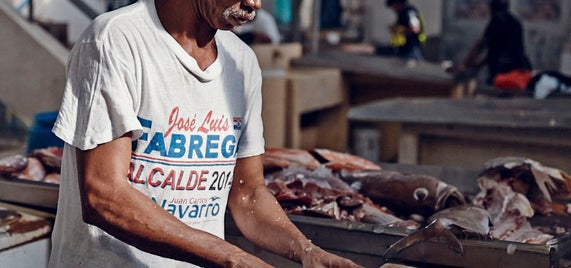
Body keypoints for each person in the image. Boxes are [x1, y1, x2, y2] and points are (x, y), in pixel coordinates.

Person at [47, 0, 363, 267]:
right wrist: (232, 258)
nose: (254, 4)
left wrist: (308, 253)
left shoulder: (242, 63)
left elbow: (247, 194)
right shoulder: (115, 40)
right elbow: (105, 197)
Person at [449, 0, 532, 84]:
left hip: (501, 71)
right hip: (519, 70)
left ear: (492, 8)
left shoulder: (496, 20)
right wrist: (477, 65)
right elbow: (495, 51)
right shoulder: (516, 22)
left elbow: (480, 46)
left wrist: (465, 65)